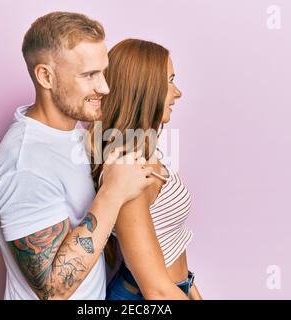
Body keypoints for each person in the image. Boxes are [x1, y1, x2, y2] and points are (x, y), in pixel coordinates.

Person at [0, 12, 155, 300]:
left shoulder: (73, 134)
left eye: (104, 72)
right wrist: (113, 192)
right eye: (89, 75)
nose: (104, 87)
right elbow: (53, 289)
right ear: (45, 76)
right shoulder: (24, 164)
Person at [89, 39, 202, 300]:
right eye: (169, 81)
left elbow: (168, 243)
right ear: (144, 90)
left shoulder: (143, 154)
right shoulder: (127, 169)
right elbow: (156, 291)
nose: (178, 92)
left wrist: (191, 289)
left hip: (177, 290)